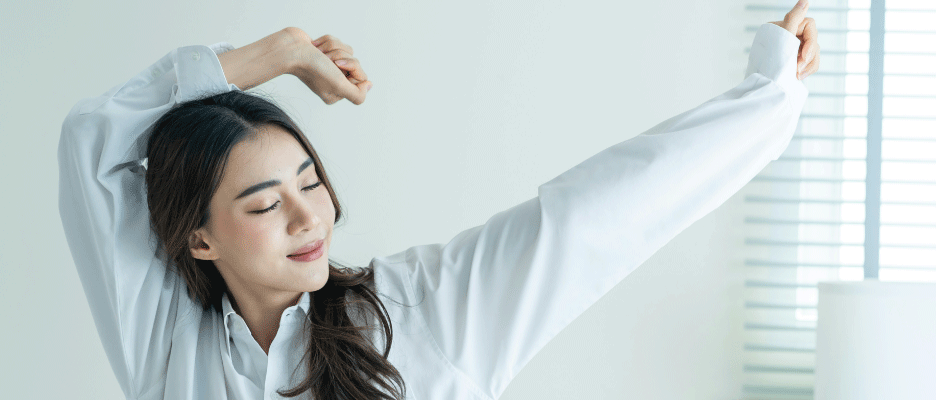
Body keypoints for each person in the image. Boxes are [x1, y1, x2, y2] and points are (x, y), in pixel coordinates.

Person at [56, 1, 820, 399]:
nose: (307, 218)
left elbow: (595, 216)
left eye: (311, 182)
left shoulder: (420, 313)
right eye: (263, 205)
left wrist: (768, 96)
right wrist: (272, 57)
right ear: (199, 240)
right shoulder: (165, 342)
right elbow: (92, 140)